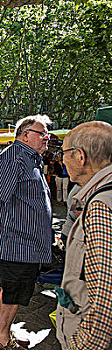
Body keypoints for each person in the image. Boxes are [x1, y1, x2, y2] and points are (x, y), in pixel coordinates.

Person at [0, 115, 53, 350]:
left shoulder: (30, 158)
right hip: (16, 242)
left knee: (12, 289)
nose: (46, 137)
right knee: (15, 290)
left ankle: (1, 330)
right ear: (26, 134)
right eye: (42, 133)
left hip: (25, 241)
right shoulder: (14, 157)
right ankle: (3, 339)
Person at [56, 121, 112, 350]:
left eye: (64, 153)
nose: (62, 160)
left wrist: (82, 344)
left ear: (80, 156)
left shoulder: (100, 207)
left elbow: (105, 295)